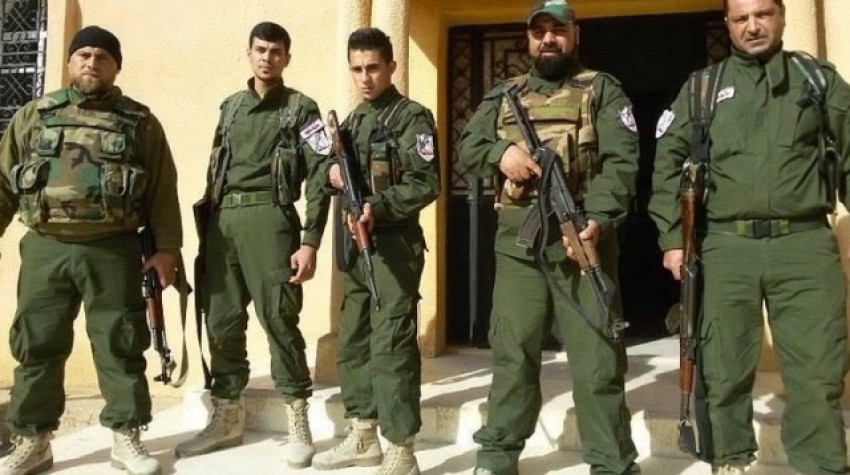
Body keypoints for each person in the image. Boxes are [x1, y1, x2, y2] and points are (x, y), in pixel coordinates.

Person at [649, 0, 850, 473]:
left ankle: (821, 466)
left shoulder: (818, 81)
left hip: (804, 245)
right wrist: (673, 238)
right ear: (728, 25)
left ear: (780, 16)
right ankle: (730, 461)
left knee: (817, 371)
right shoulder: (702, 88)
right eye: (741, 19)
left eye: (763, 14)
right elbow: (666, 166)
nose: (753, 26)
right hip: (724, 246)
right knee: (722, 367)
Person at [459, 1, 641, 473]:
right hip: (519, 246)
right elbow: (468, 147)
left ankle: (611, 463)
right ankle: (497, 457)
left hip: (581, 240)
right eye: (538, 31)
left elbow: (621, 165)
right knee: (513, 353)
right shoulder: (504, 95)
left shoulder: (602, 90)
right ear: (528, 39)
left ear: (574, 35)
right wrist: (503, 153)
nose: (548, 40)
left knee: (598, 360)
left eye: (557, 30)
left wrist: (598, 218)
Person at [0, 25, 180, 475]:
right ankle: (33, 440)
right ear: (69, 62)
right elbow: (4, 180)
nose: (91, 63)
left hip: (113, 249)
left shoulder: (139, 121)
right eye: (83, 55)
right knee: (37, 345)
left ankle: (126, 438)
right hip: (47, 248)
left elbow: (162, 190)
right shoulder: (33, 115)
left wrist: (166, 250)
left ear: (116, 66)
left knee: (120, 344)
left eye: (102, 56)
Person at [173, 22, 331, 469]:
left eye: (276, 51)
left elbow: (321, 173)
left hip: (272, 218)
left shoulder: (302, 108)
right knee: (220, 318)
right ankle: (226, 415)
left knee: (279, 317)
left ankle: (297, 416)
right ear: (248, 53)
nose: (267, 58)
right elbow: (214, 170)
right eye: (260, 50)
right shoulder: (230, 107)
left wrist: (311, 240)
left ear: (286, 58)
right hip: (224, 222)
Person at [310, 27, 439, 475]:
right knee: (354, 340)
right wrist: (331, 174)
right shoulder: (352, 121)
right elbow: (324, 166)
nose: (364, 78)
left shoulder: (411, 118)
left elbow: (426, 183)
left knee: (392, 345)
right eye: (357, 69)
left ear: (391, 67)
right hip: (353, 245)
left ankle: (401, 446)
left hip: (392, 247)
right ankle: (363, 431)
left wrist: (376, 206)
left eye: (372, 68)